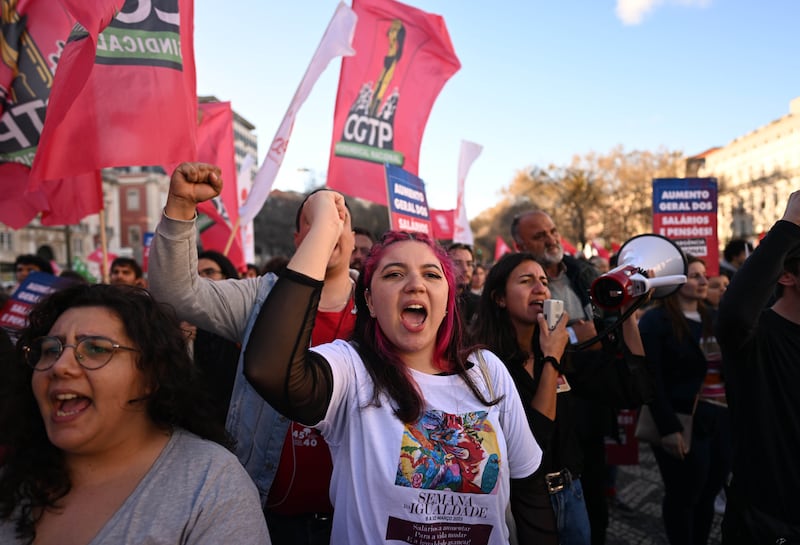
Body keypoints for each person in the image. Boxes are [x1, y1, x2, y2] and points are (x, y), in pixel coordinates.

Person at [242, 189, 543, 545]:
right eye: (394, 274)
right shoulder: (352, 369)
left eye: (431, 275)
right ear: (369, 301)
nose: (415, 284)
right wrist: (323, 229)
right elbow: (269, 369)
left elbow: (530, 493)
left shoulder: (487, 371)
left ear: (448, 299)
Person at [148, 163, 357, 545]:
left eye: (337, 218)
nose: (327, 227)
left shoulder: (379, 307)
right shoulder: (259, 298)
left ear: (354, 238)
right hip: (267, 516)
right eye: (314, 220)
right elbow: (177, 294)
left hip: (354, 519)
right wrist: (180, 206)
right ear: (299, 238)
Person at [0, 283, 268, 544]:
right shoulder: (14, 479)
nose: (60, 366)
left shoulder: (210, 484)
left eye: (95, 349)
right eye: (50, 350)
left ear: (151, 375)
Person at [470, 252, 652, 545]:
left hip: (573, 494)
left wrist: (627, 313)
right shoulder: (486, 365)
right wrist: (552, 359)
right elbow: (536, 438)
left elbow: (634, 389)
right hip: (524, 503)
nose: (540, 288)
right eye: (526, 281)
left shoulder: (559, 351)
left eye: (544, 282)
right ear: (499, 298)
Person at [511, 209, 620, 544]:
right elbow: (530, 340)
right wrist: (574, 337)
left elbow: (608, 325)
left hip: (590, 402)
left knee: (594, 498)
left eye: (552, 231)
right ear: (519, 246)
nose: (551, 239)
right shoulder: (517, 288)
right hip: (548, 408)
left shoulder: (583, 273)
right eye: (539, 236)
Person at [717, 190, 800, 544]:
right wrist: (790, 223)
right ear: (786, 276)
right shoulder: (756, 336)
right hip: (768, 525)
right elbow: (734, 314)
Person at [638, 255, 731, 545]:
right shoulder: (656, 321)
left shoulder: (714, 317)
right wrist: (668, 428)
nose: (704, 281)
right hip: (683, 421)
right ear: (676, 281)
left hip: (721, 419)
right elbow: (650, 379)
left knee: (709, 492)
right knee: (684, 495)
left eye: (704, 275)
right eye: (694, 276)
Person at [447, 242, 480, 326]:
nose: (465, 269)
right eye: (457, 263)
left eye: (469, 264)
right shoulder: (435, 301)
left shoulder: (479, 304)